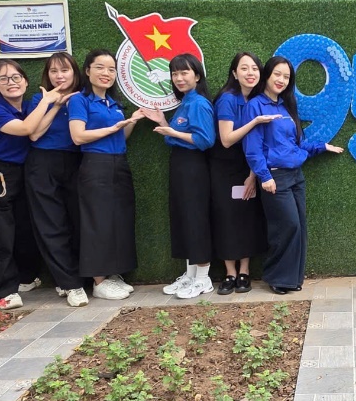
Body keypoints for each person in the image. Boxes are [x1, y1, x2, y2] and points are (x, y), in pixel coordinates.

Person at [242, 56, 344, 294]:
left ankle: (292, 279)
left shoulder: (287, 106)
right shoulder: (255, 106)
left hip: (296, 175)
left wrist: (321, 146)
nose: (281, 80)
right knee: (286, 226)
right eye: (277, 74)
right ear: (267, 75)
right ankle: (277, 277)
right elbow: (252, 147)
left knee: (298, 226)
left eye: (286, 77)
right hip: (275, 177)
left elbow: (296, 143)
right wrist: (264, 176)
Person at [0, 59, 59, 310]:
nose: (10, 83)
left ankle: (24, 278)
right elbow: (26, 130)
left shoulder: (26, 108)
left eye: (15, 77)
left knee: (23, 228)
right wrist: (47, 101)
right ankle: (3, 290)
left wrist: (53, 106)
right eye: (3, 79)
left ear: (25, 81)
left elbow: (34, 130)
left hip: (22, 171)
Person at [68, 49, 144, 300]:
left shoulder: (114, 103)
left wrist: (131, 121)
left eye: (111, 69)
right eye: (100, 67)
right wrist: (112, 127)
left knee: (119, 218)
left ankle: (113, 274)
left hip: (118, 163)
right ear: (87, 70)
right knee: (97, 220)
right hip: (95, 164)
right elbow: (78, 136)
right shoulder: (80, 100)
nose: (106, 73)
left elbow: (120, 136)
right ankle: (98, 280)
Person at [142, 54, 218, 299]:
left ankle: (204, 279)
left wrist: (172, 130)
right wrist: (163, 122)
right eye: (175, 74)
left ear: (196, 75)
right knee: (184, 219)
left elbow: (206, 140)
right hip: (180, 167)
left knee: (195, 220)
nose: (179, 78)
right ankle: (190, 276)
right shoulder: (185, 102)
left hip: (193, 168)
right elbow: (173, 136)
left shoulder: (199, 103)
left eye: (184, 73)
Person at [25, 52, 89, 306]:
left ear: (75, 72)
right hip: (43, 162)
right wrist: (56, 105)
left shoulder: (84, 98)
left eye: (64, 70)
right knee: (51, 224)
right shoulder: (38, 99)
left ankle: (77, 277)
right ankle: (70, 284)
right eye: (53, 71)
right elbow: (34, 135)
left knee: (77, 222)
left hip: (76, 162)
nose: (59, 76)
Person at [210, 52, 273, 294]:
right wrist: (255, 121)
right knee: (226, 217)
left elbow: (257, 145)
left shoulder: (258, 100)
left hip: (248, 166)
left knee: (248, 215)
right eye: (244, 68)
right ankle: (229, 273)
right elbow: (226, 140)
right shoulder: (228, 99)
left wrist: (253, 175)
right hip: (224, 166)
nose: (250, 73)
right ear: (234, 73)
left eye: (255, 68)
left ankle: (244, 271)